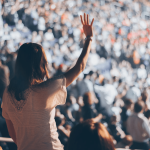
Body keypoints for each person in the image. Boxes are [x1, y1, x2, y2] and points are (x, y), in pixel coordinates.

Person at [1, 13, 94, 150]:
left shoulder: (8, 94)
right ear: (42, 64)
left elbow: (12, 133)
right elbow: (80, 66)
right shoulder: (46, 89)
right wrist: (89, 38)